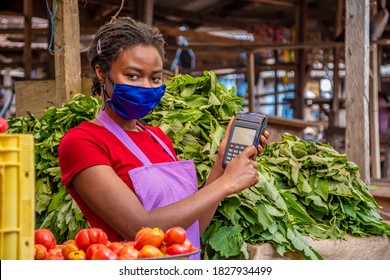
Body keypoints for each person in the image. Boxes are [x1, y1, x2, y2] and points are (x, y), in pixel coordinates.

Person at [58, 16, 269, 260]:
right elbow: (139, 228)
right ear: (102, 74)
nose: (147, 86)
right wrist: (226, 184)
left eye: (155, 78)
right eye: (133, 76)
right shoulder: (82, 142)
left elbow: (190, 231)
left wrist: (221, 166)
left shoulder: (158, 138)